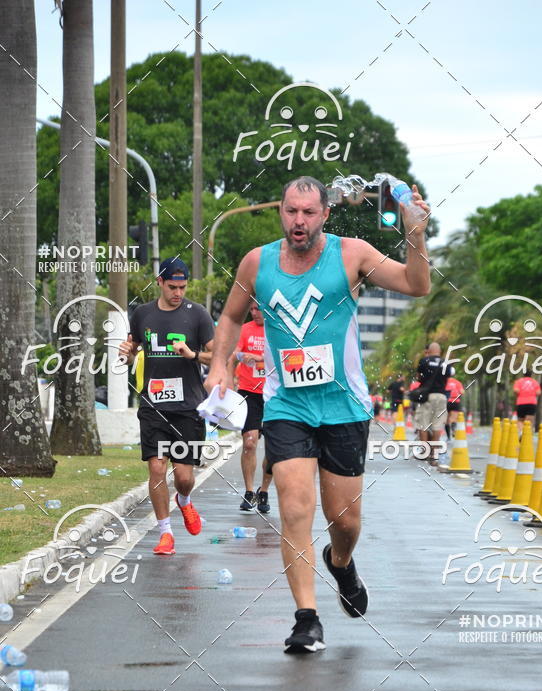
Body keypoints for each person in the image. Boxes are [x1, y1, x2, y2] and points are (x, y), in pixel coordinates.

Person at [205, 175, 430, 653]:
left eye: (309, 212)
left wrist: (415, 233)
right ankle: (306, 618)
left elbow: (417, 284)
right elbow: (229, 316)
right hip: (287, 406)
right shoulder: (257, 262)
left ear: (325, 213)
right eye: (291, 211)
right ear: (281, 212)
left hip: (344, 407)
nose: (299, 221)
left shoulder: (353, 254)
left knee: (344, 522)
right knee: (294, 508)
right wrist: (221, 366)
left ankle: (341, 562)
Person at [119, 257, 214, 555]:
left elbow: (218, 356)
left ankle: (183, 501)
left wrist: (192, 354)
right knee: (157, 468)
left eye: (183, 287)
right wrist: (127, 353)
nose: (178, 293)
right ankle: (165, 533)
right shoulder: (143, 314)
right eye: (172, 286)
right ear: (159, 282)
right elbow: (132, 348)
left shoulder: (198, 315)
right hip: (153, 405)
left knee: (184, 477)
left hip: (188, 407)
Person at [228, 301, 272, 514]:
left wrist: (261, 358)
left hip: (274, 395)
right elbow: (234, 353)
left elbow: (288, 357)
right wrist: (241, 356)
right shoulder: (245, 329)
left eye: (259, 308)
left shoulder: (277, 328)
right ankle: (248, 492)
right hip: (249, 393)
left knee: (274, 449)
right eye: (252, 308)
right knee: (250, 443)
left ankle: (264, 490)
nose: (255, 313)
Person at [414, 343, 453, 464]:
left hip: (426, 396)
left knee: (423, 424)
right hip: (441, 396)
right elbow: (448, 376)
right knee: (437, 425)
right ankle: (434, 454)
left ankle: (425, 452)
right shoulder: (446, 364)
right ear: (440, 352)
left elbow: (418, 377)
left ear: (429, 351)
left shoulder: (424, 361)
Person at [445, 374, 464, 439]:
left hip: (446, 401)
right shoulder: (458, 382)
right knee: (454, 418)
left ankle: (448, 437)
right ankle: (453, 430)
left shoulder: (444, 381)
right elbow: (462, 392)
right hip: (456, 401)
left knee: (447, 420)